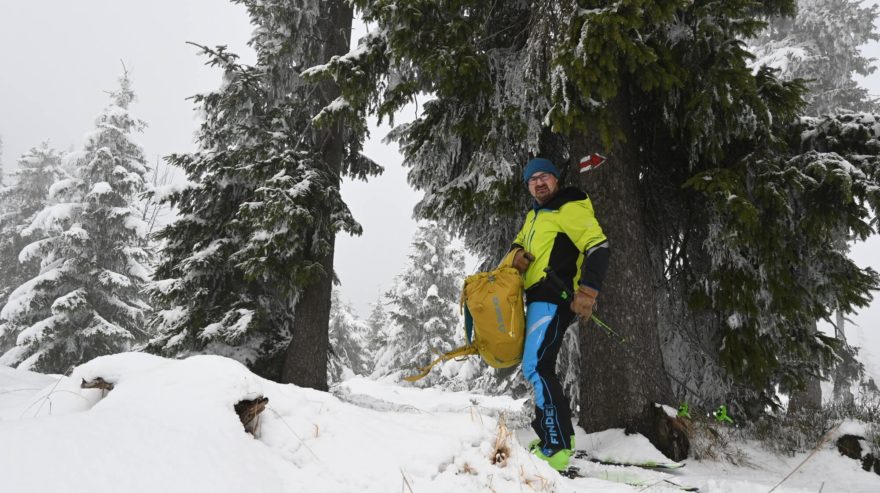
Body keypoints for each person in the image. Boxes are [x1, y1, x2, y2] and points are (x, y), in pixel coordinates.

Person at [509, 157, 610, 471]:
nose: (539, 183)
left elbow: (598, 246)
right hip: (538, 298)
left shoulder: (569, 205)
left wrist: (588, 292)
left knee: (537, 367)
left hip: (556, 296)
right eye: (532, 180)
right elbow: (519, 243)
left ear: (555, 180)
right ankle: (551, 438)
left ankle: (556, 448)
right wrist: (517, 254)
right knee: (539, 366)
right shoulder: (535, 215)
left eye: (545, 177)